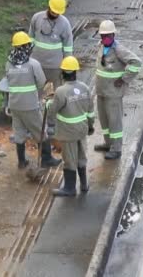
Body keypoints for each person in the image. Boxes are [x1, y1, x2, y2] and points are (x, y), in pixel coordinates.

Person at [6, 31, 62, 169]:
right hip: (29, 105)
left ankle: (21, 161)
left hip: (14, 105)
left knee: (19, 132)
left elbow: (8, 80)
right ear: (27, 46)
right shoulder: (33, 64)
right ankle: (47, 159)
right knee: (41, 132)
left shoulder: (8, 63)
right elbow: (41, 82)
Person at [46, 56, 95, 196]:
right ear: (75, 72)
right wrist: (90, 126)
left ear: (63, 73)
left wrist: (49, 111)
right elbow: (90, 112)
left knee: (69, 160)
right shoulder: (85, 88)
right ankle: (84, 185)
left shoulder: (61, 91)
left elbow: (53, 110)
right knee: (81, 156)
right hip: (82, 130)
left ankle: (69, 188)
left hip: (68, 132)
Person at [93, 20, 142, 160]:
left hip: (113, 93)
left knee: (114, 121)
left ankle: (117, 149)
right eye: (103, 36)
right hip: (101, 91)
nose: (105, 38)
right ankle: (108, 144)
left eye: (108, 35)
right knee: (104, 120)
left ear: (113, 35)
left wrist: (124, 79)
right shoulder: (101, 46)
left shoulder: (119, 50)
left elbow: (136, 63)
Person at [28, 0, 74, 92]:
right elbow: (30, 38)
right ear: (49, 7)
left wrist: (67, 67)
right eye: (53, 12)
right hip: (37, 63)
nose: (54, 15)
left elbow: (68, 47)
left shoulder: (64, 23)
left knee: (56, 94)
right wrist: (28, 58)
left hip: (55, 67)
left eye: (57, 13)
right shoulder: (37, 18)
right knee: (37, 91)